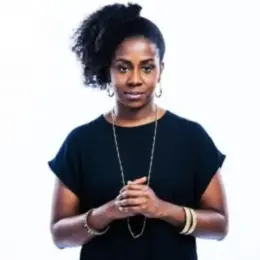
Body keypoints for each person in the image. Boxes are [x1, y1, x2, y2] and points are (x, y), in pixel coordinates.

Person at [48, 3, 228, 260]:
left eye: (146, 67)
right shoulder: (81, 142)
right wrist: (109, 212)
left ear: (160, 70)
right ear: (107, 70)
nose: (135, 79)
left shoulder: (191, 138)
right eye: (123, 67)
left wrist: (161, 209)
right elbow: (59, 235)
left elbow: (220, 226)